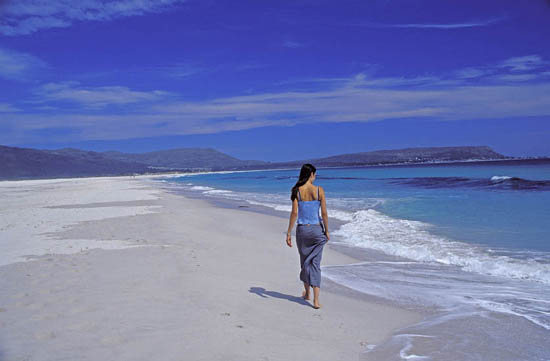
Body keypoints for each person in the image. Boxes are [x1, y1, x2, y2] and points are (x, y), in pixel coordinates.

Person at [286, 163, 329, 309]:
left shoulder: (297, 191)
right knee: (315, 264)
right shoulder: (319, 191)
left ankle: (307, 294)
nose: (315, 177)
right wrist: (327, 231)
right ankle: (316, 301)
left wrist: (288, 232)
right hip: (317, 230)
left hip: (303, 230)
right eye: (315, 174)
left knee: (305, 262)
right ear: (311, 174)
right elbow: (323, 214)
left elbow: (294, 213)